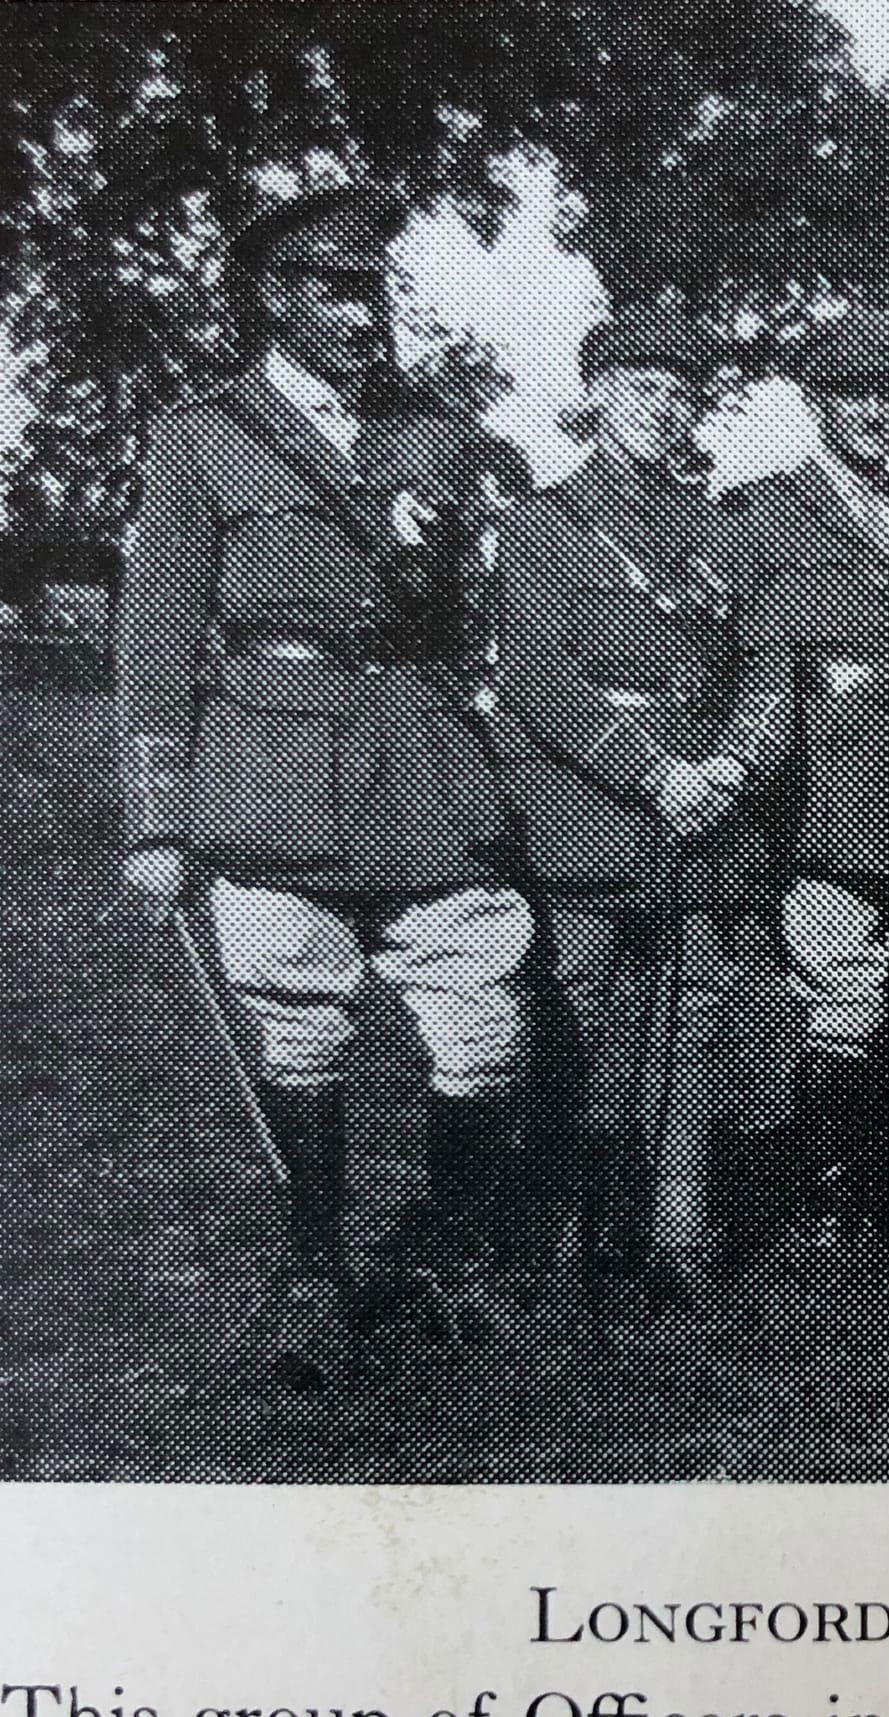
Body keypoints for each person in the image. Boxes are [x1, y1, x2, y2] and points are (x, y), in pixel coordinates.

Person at [113, 187, 535, 1381]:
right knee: (299, 1018)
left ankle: (453, 1261)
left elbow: (472, 615)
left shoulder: (434, 433)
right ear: (273, 300)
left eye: (373, 290)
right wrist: (159, 819)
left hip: (424, 763)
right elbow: (155, 636)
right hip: (272, 769)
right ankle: (314, 1271)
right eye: (337, 291)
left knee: (482, 1017)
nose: (364, 314)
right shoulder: (201, 436)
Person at [486, 300, 758, 1317]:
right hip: (588, 809)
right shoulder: (542, 522)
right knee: (571, 1013)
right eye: (644, 388)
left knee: (693, 1017)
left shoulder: (723, 534)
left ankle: (677, 1231)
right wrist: (655, 775)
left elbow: (762, 661)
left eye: (683, 395)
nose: (665, 409)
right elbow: (538, 676)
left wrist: (730, 767)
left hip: (702, 805)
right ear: (597, 393)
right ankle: (551, 1238)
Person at [713, 307, 889, 1265]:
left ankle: (872, 1195)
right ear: (816, 402)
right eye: (853, 394)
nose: (874, 412)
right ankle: (831, 1201)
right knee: (838, 982)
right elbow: (729, 658)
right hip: (817, 777)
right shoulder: (759, 513)